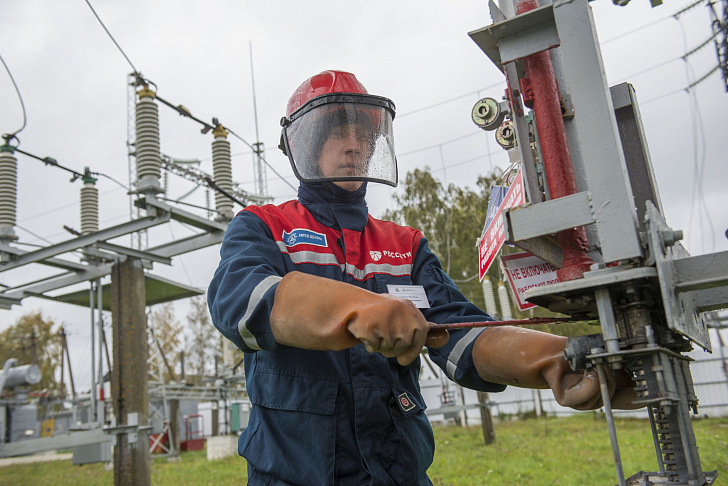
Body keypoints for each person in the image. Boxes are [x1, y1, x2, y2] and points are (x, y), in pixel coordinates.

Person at [207, 70, 636, 486]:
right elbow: (238, 301)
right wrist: (354, 309)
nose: (354, 145)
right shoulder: (265, 227)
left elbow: (461, 333)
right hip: (292, 476)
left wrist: (556, 361)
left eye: (364, 135)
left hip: (398, 474)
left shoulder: (405, 244)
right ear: (306, 144)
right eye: (338, 133)